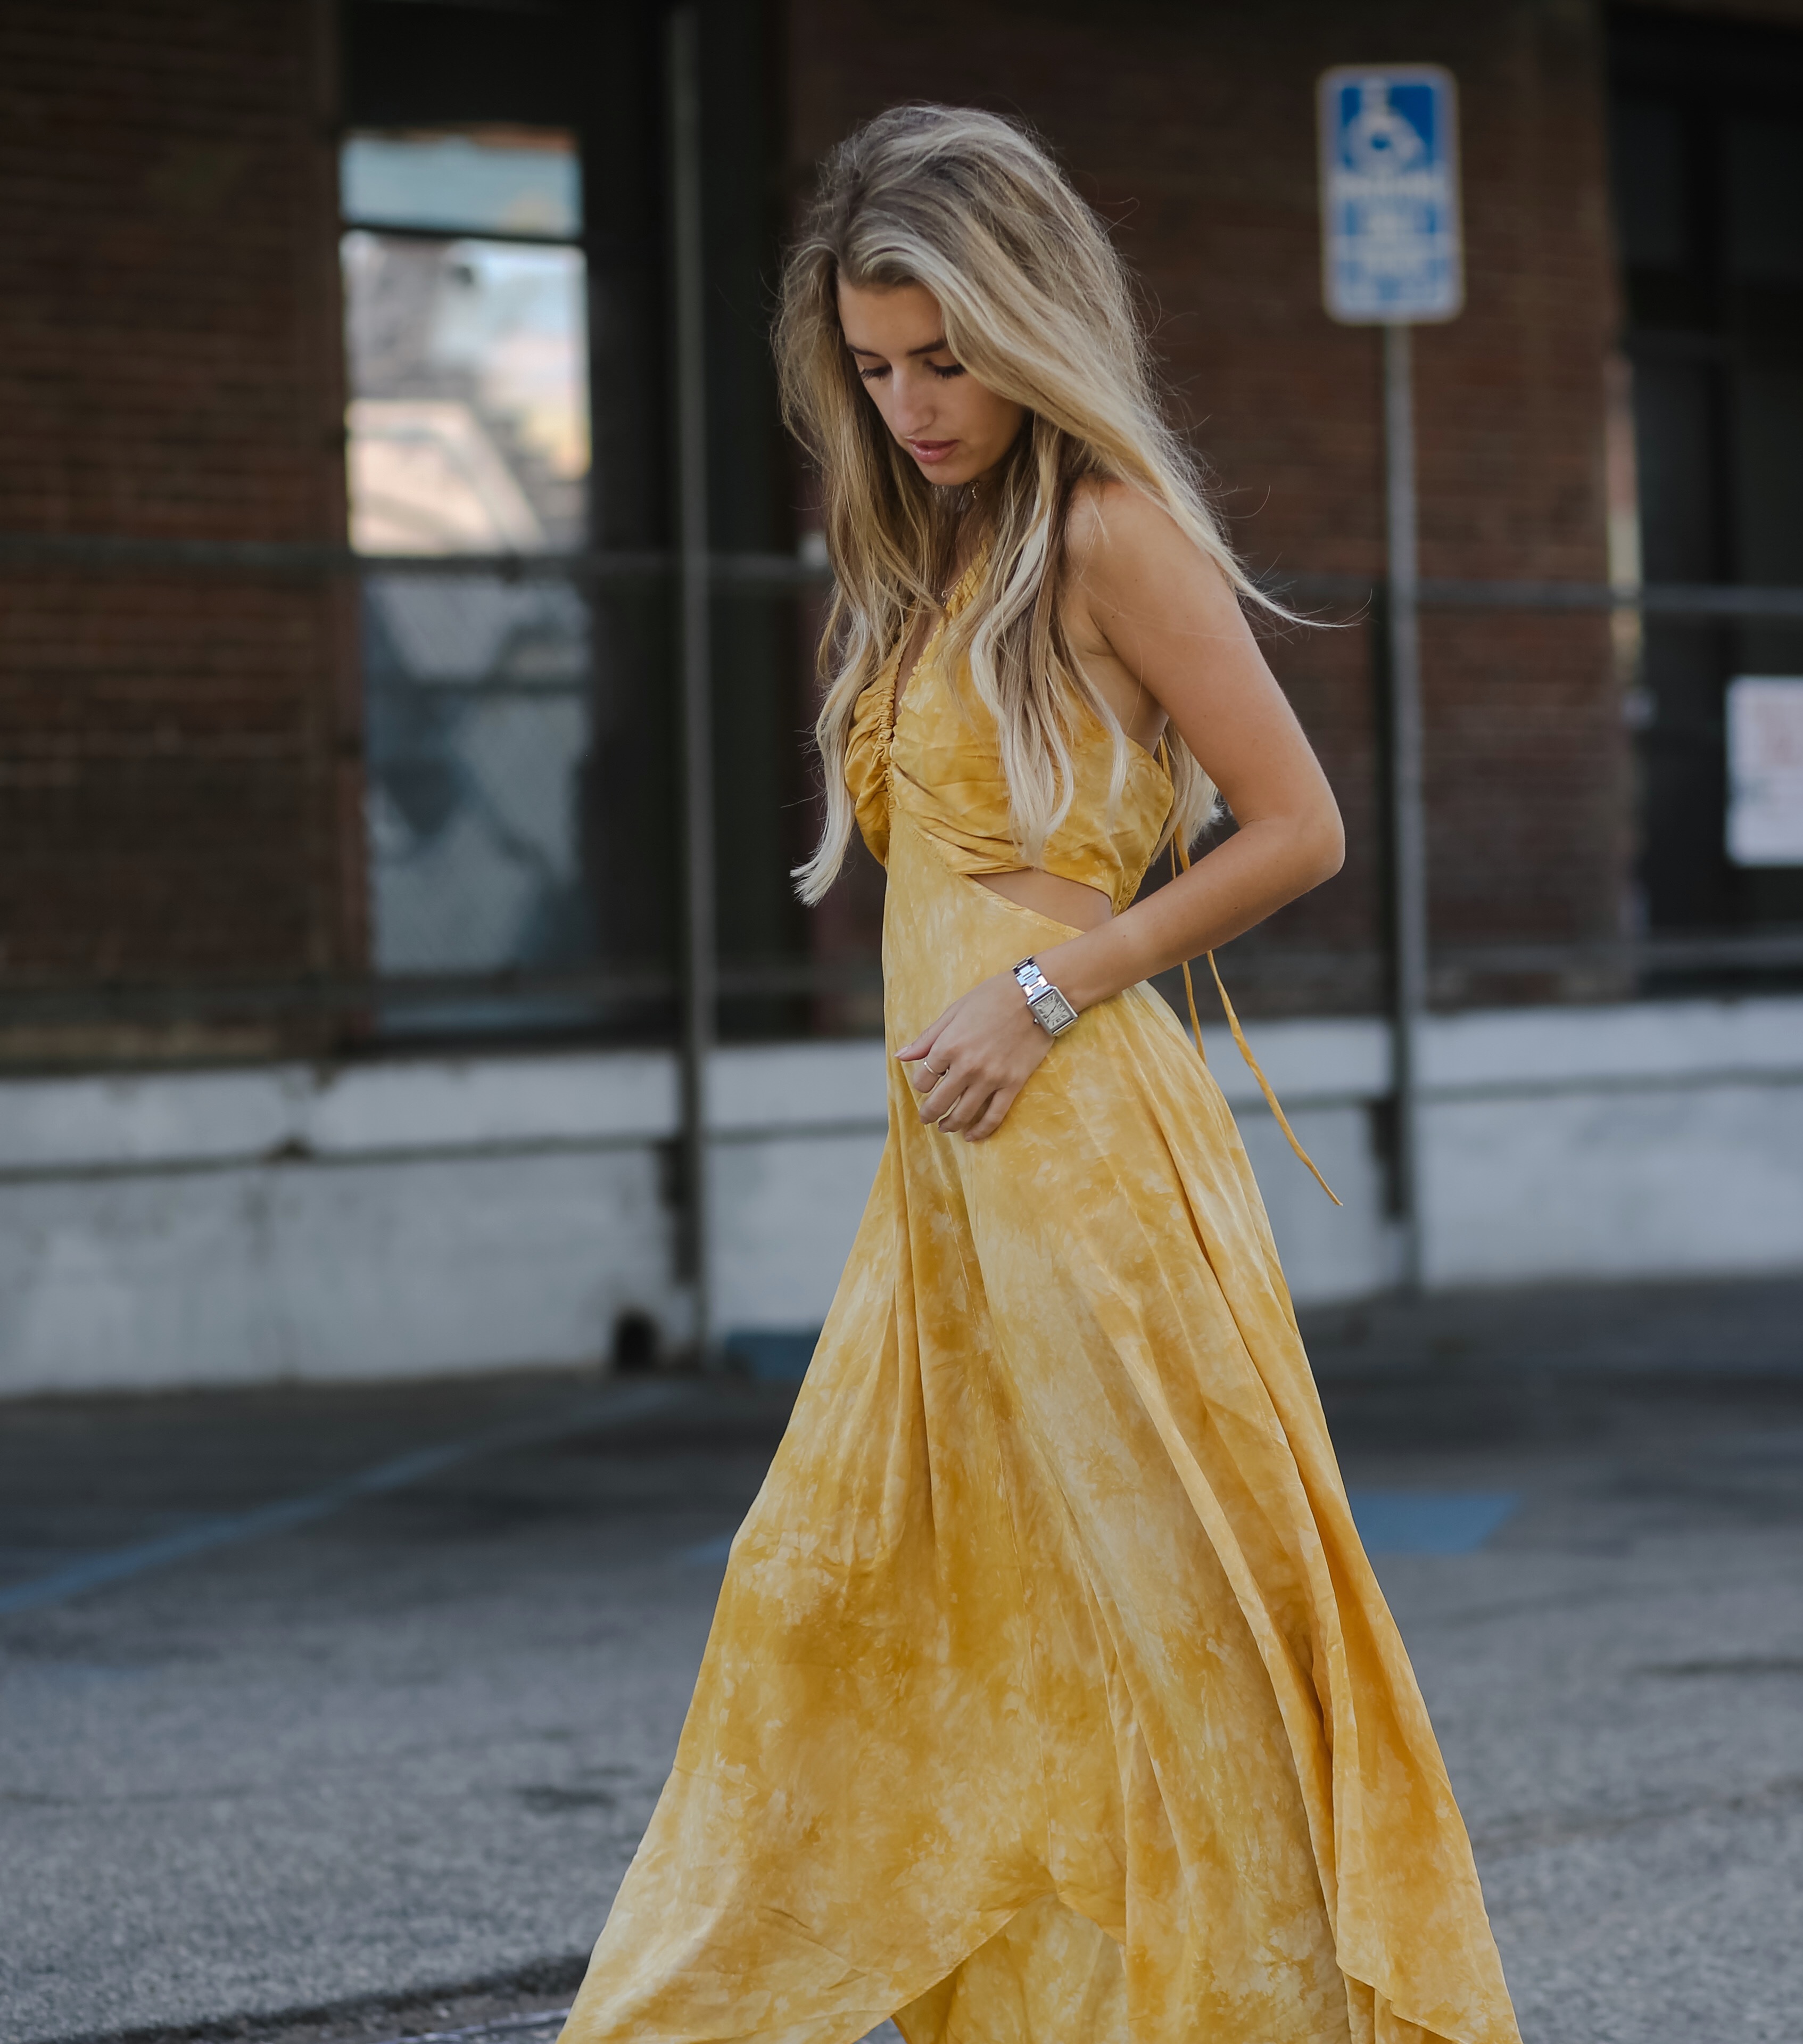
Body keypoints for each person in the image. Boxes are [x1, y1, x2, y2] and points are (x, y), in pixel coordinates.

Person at [559, 104, 1521, 2044]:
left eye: (950, 356)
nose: (914, 400)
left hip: (1079, 1141)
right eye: (881, 363)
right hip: (946, 1173)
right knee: (873, 1590)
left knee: (1177, 1626)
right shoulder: (929, 550)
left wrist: (1053, 992)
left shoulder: (1105, 533)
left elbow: (1297, 826)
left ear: (1034, 326)